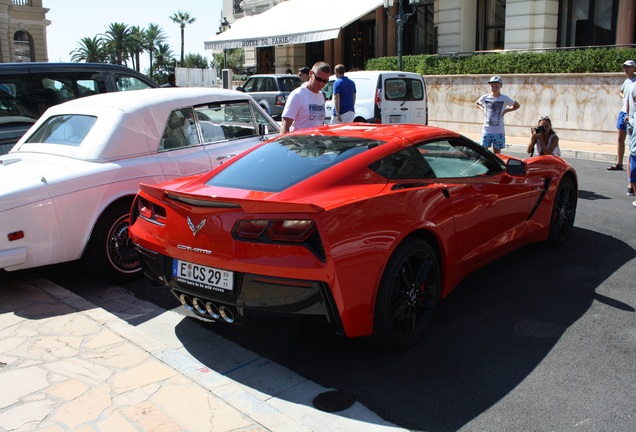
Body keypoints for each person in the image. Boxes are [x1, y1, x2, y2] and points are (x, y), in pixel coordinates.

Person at [280, 62, 331, 134]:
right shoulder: (297, 95)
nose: (321, 83)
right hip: (299, 143)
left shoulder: (321, 96)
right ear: (311, 74)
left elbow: (319, 123)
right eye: (318, 79)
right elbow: (285, 125)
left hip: (316, 143)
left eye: (325, 81)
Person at [475, 75, 520, 154]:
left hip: (498, 131)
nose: (494, 88)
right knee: (483, 152)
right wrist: (483, 109)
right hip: (486, 129)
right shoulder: (485, 97)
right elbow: (477, 103)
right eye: (492, 86)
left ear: (500, 86)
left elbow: (517, 105)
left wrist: (506, 110)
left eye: (496, 86)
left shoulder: (505, 98)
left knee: (497, 154)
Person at [608, 59, 636, 171]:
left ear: (634, 68)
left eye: (628, 67)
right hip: (623, 112)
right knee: (620, 137)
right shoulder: (626, 82)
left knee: (631, 139)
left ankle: (631, 163)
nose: (626, 69)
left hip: (632, 114)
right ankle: (619, 163)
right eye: (624, 67)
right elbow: (621, 91)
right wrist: (624, 96)